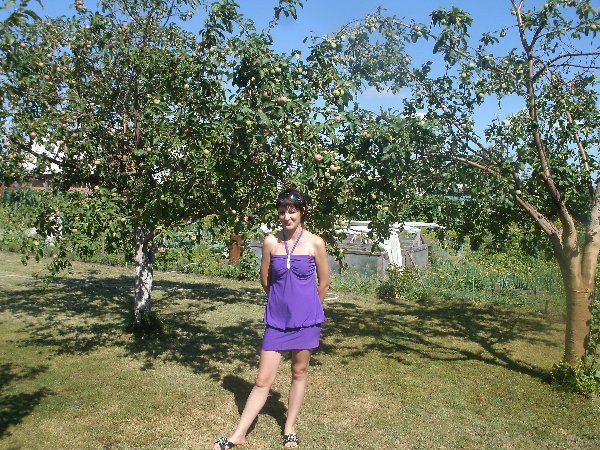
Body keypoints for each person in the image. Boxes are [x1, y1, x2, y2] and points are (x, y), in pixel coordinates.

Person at [214, 188, 329, 450]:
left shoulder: (315, 243)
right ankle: (239, 434)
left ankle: (289, 428)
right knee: (262, 379)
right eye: (282, 211)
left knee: (299, 372)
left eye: (292, 211)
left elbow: (323, 283)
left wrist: (308, 309)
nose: (287, 216)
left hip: (307, 321)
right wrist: (280, 301)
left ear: (301, 212)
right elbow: (265, 279)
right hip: (277, 320)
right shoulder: (270, 242)